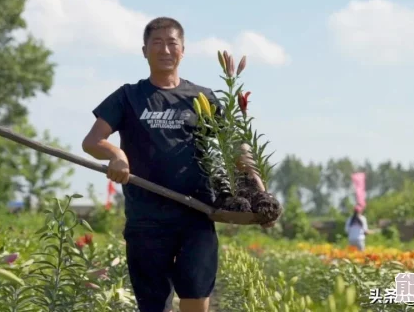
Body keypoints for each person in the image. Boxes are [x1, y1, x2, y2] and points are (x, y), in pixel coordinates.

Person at [81, 17, 274, 312]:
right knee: (154, 304)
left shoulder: (201, 98)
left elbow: (235, 147)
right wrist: (116, 156)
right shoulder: (128, 97)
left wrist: (261, 195)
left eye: (172, 43)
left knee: (195, 297)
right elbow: (92, 141)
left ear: (183, 50)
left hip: (195, 215)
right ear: (144, 50)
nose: (165, 49)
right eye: (157, 43)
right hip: (145, 219)